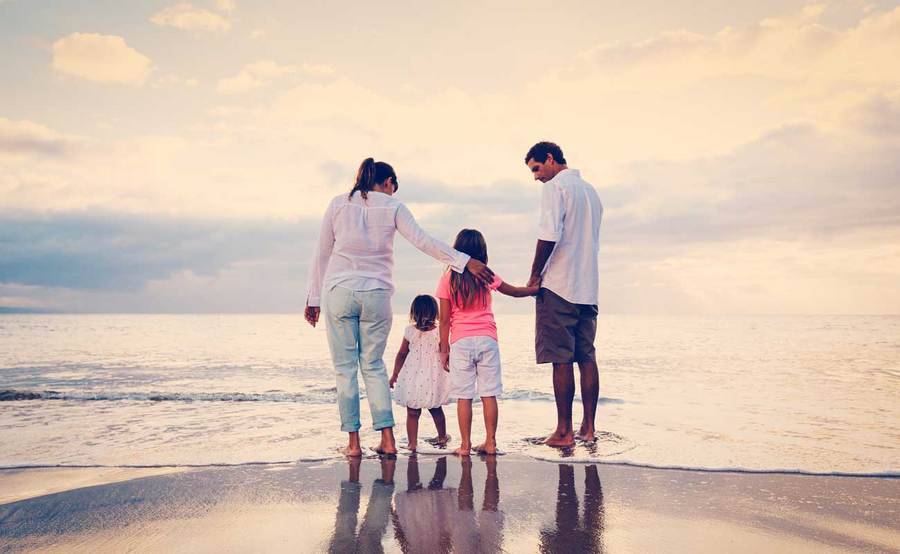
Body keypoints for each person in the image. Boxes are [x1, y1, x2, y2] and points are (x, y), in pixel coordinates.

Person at [305, 158, 494, 458]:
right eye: (394, 187)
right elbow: (423, 241)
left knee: (345, 370)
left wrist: (313, 298)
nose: (393, 192)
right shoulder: (393, 207)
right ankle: (388, 439)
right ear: (389, 182)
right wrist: (463, 260)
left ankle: (353, 444)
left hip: (339, 292)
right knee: (374, 367)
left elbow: (322, 252)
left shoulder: (338, 204)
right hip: (377, 295)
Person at [524, 141, 604, 447]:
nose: (536, 177)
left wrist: (534, 276)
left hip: (559, 285)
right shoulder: (592, 193)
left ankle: (564, 431)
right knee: (586, 357)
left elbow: (549, 234)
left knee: (561, 360)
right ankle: (589, 429)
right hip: (589, 287)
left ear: (550, 158)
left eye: (536, 168)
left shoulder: (556, 188)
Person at [436, 229, 538, 456]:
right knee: (488, 394)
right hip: (487, 340)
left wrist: (444, 350)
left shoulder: (448, 279)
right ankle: (490, 442)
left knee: (464, 396)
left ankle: (464, 446)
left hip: (461, 341)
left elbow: (443, 320)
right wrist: (534, 290)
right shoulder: (486, 275)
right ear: (482, 251)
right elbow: (512, 291)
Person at [389, 295, 452, 452]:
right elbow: (447, 351)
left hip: (412, 376)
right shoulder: (439, 331)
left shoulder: (410, 331)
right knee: (435, 408)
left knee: (412, 411)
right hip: (433, 376)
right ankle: (442, 437)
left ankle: (412, 444)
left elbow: (401, 354)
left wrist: (395, 374)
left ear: (413, 312)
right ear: (435, 312)